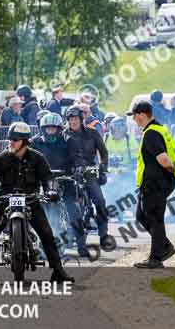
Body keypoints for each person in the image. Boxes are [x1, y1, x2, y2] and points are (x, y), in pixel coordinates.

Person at [0, 122, 74, 283]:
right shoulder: (2, 157)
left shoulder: (37, 158)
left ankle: (58, 270)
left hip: (31, 200)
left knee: (46, 233)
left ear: (25, 141)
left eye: (15, 139)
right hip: (5, 201)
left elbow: (48, 178)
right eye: (10, 139)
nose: (10, 142)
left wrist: (51, 191)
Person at [128, 100, 175, 268]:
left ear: (142, 115)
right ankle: (164, 246)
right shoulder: (159, 129)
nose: (133, 120)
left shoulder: (151, 133)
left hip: (156, 183)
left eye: (134, 116)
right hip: (156, 183)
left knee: (154, 217)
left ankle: (156, 258)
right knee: (141, 215)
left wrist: (171, 169)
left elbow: (164, 160)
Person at [30, 113, 87, 256]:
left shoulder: (69, 140)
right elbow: (25, 156)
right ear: (42, 129)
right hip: (42, 183)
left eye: (53, 128)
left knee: (74, 211)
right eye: (47, 128)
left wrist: (79, 168)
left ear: (59, 129)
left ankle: (81, 246)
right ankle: (31, 243)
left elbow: (77, 157)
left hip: (65, 180)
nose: (50, 131)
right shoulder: (35, 142)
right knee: (33, 210)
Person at [63, 106, 114, 250]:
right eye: (70, 119)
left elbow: (104, 152)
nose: (73, 122)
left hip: (90, 171)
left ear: (81, 119)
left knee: (99, 200)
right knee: (66, 203)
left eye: (75, 119)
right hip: (71, 173)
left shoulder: (92, 133)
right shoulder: (63, 135)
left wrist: (103, 166)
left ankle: (104, 235)